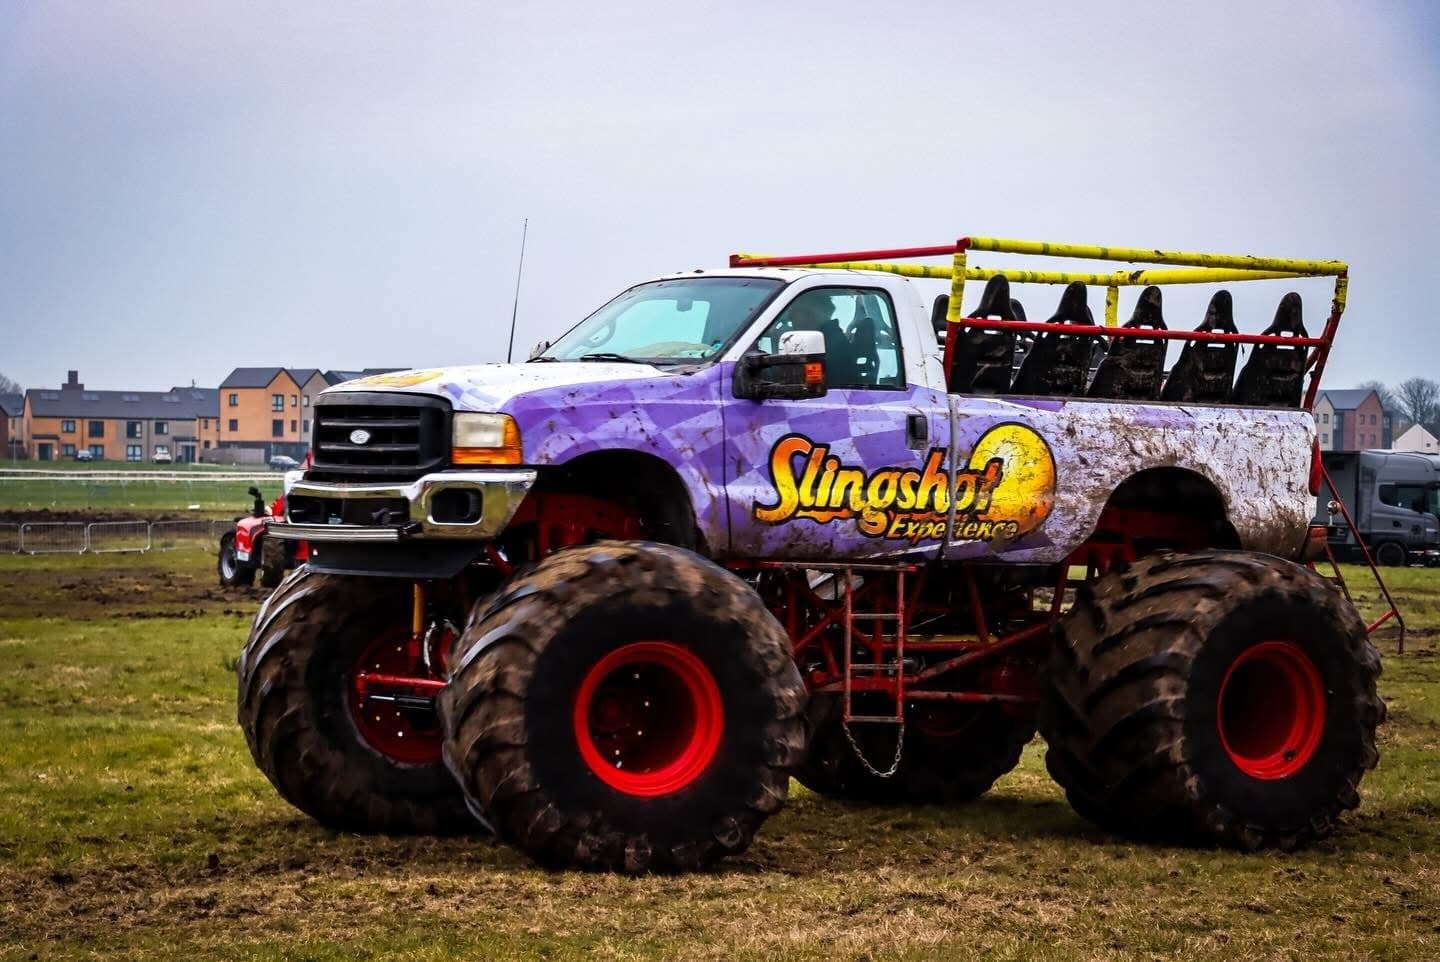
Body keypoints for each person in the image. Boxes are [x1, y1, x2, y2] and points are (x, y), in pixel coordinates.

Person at [784, 294, 861, 386]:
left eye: (794, 312)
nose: (790, 319)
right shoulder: (824, 339)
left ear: (812, 314)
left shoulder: (832, 346)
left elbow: (809, 385)